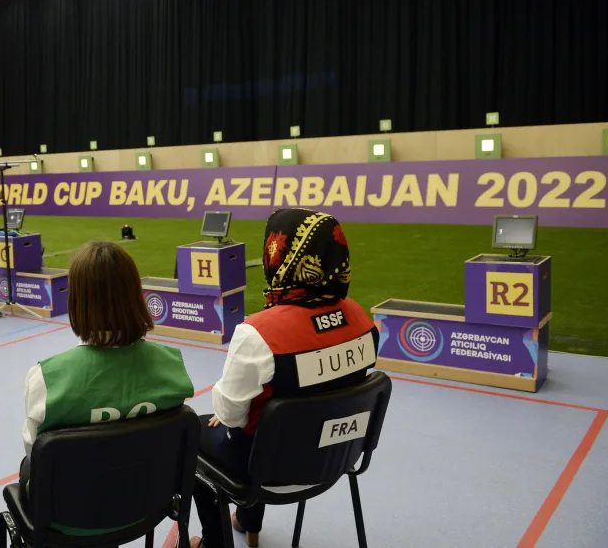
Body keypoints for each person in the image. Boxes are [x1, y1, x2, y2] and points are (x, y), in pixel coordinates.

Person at [191, 209, 379, 548]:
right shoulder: (362, 319)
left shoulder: (259, 332)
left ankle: (213, 543)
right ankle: (248, 521)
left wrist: (231, 407)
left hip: (270, 469)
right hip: (337, 457)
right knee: (267, 420)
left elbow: (232, 415)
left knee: (193, 433)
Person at [20, 241, 194, 536]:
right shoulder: (171, 365)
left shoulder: (45, 378)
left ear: (76, 302)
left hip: (69, 518)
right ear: (134, 296)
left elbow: (35, 453)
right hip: (148, 507)